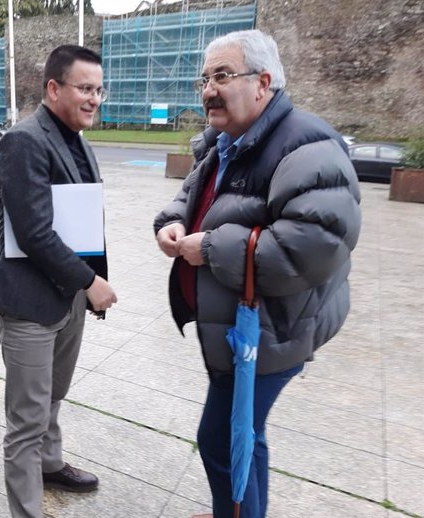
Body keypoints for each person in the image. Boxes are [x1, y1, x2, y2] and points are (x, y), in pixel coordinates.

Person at [153, 30, 361, 518]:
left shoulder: (308, 145)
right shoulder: (224, 140)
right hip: (240, 330)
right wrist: (173, 222)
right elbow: (190, 194)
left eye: (222, 76)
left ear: (263, 83)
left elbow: (314, 246)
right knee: (244, 432)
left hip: (272, 330)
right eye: (204, 78)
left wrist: (211, 246)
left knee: (223, 441)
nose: (208, 89)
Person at [0, 45, 117, 518]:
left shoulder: (78, 140)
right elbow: (35, 232)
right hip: (30, 305)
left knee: (53, 395)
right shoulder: (24, 141)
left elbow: (83, 223)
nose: (94, 98)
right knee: (26, 419)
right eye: (85, 88)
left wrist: (92, 285)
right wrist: (90, 281)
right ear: (54, 88)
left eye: (99, 89)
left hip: (72, 300)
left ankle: (51, 463)